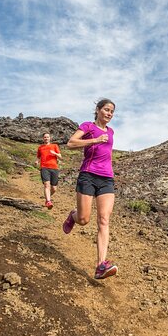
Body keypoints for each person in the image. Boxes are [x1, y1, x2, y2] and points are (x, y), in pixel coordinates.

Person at [62, 99, 118, 280]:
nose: (109, 114)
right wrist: (93, 140)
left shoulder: (111, 132)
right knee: (84, 219)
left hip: (107, 179)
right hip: (88, 175)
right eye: (106, 110)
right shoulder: (87, 126)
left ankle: (101, 265)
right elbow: (71, 143)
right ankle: (73, 215)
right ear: (98, 110)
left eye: (112, 111)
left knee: (104, 219)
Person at [36, 133, 62, 209]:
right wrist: (37, 161)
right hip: (44, 168)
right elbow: (38, 157)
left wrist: (55, 153)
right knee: (46, 185)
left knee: (54, 188)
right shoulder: (40, 147)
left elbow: (60, 157)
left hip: (54, 168)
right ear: (43, 138)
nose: (46, 138)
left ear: (50, 138)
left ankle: (47, 197)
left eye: (47, 137)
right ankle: (48, 201)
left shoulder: (55, 146)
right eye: (44, 137)